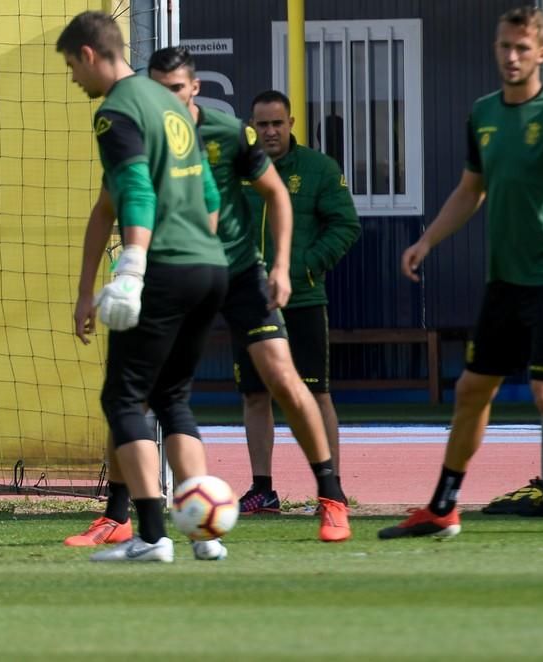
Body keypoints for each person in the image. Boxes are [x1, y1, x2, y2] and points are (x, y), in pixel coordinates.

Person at [63, 46, 352, 551]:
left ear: (195, 88)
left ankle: (331, 496)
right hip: (172, 271)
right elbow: (105, 207)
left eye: (175, 89)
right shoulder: (144, 130)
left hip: (237, 272)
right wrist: (86, 288)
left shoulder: (226, 132)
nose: (166, 98)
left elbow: (274, 194)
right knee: (142, 390)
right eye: (158, 89)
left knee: (282, 377)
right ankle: (118, 515)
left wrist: (280, 267)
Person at [379, 6, 543, 540]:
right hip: (504, 281)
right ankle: (444, 508)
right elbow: (472, 190)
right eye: (504, 47)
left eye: (521, 48)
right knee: (471, 389)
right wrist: (426, 240)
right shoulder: (483, 114)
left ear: (541, 52)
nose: (511, 57)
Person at [58, 12, 229, 563]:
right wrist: (88, 288)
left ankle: (151, 535)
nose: (73, 81)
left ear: (89, 54)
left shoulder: (116, 111)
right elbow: (207, 194)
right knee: (174, 396)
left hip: (164, 268)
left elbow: (134, 189)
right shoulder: (169, 104)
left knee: (123, 397)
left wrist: (132, 267)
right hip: (209, 267)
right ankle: (206, 534)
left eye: (70, 67)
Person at [237, 89, 360, 514]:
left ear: (291, 124)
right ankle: (262, 488)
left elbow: (345, 225)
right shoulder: (239, 168)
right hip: (250, 301)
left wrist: (302, 268)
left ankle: (332, 490)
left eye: (277, 123)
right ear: (251, 126)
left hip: (304, 298)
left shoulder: (319, 169)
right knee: (255, 395)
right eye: (262, 124)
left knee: (315, 393)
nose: (270, 131)